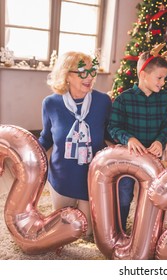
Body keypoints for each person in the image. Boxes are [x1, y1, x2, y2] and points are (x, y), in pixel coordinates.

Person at [39, 51, 112, 238]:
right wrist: (25, 155)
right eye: (82, 72)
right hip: (62, 177)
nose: (89, 77)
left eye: (92, 71)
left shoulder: (103, 101)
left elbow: (109, 134)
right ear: (66, 75)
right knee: (64, 231)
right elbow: (46, 138)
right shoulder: (50, 103)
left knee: (85, 233)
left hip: (90, 178)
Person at [107, 49, 167, 231]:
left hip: (153, 159)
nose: (163, 82)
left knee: (153, 197)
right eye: (159, 78)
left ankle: (147, 232)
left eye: (164, 78)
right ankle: (118, 230)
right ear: (143, 75)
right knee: (123, 195)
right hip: (130, 158)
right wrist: (128, 139)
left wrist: (160, 141)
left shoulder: (164, 98)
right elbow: (113, 127)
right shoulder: (123, 99)